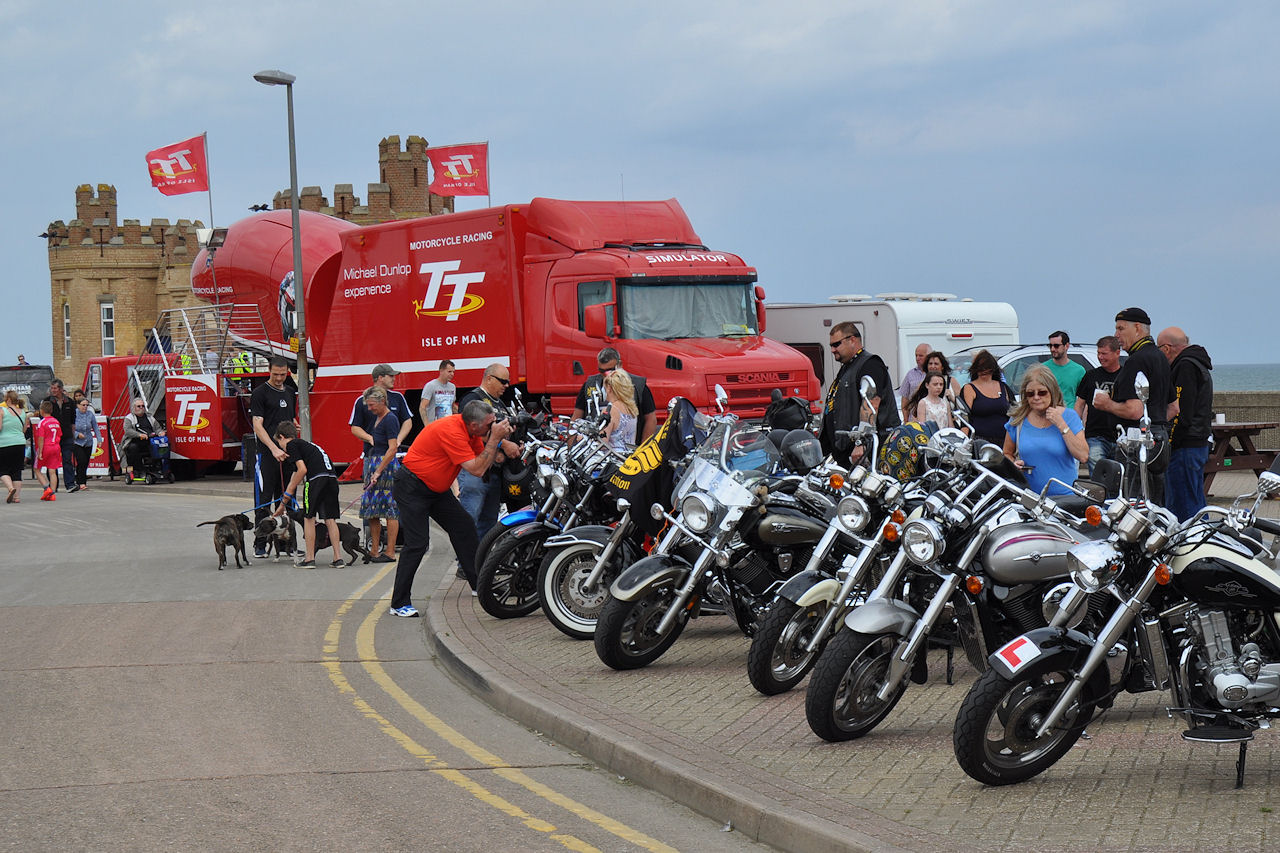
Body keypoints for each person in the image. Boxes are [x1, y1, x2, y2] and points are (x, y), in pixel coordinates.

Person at [390, 400, 514, 615]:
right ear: (474, 425)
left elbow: (482, 463)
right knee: (417, 543)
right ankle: (398, 603)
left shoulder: (472, 432)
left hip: (436, 490)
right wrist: (496, 440)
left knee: (464, 527)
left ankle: (479, 585)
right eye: (489, 424)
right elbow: (476, 469)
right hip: (412, 486)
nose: (492, 427)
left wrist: (500, 444)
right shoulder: (451, 431)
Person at [1092, 307, 1172, 504]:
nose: (1116, 335)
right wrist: (1154, 427)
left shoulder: (1136, 361)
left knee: (1132, 505)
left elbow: (1135, 410)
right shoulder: (1160, 357)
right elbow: (1174, 407)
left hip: (1137, 443)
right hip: (1159, 440)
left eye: (1120, 329)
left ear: (1137, 328)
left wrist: (1106, 404)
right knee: (1155, 505)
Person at [820, 322, 900, 468]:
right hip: (844, 451)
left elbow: (871, 403)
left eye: (836, 344)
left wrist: (861, 442)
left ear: (852, 340)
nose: (832, 350)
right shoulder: (848, 367)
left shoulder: (870, 364)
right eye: (831, 345)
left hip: (865, 452)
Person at [457, 364, 523, 540]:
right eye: (503, 381)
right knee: (470, 519)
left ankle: (483, 562)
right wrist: (504, 445)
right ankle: (464, 564)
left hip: (493, 471)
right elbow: (475, 431)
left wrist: (515, 443)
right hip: (475, 470)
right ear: (489, 378)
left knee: (488, 523)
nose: (506, 385)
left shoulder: (498, 403)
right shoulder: (473, 400)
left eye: (508, 382)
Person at [1003, 366, 1088, 496]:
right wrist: (1014, 464)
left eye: (1042, 392)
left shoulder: (1069, 417)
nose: (1036, 397)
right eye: (1030, 393)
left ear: (1052, 391)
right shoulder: (1019, 419)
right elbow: (1007, 453)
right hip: (1029, 498)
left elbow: (1083, 455)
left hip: (1064, 498)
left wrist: (1060, 424)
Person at [271, 422, 345, 568]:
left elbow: (302, 470)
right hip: (331, 479)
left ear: (282, 437)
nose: (282, 448)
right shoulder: (309, 445)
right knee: (330, 519)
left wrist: (286, 495)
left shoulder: (292, 445)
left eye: (279, 443)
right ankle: (338, 558)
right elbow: (300, 469)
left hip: (316, 480)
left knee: (308, 517)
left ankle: (309, 558)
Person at [1159, 326, 1213, 521]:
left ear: (1167, 348)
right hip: (1197, 443)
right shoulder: (1198, 364)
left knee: (1183, 507)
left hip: (1185, 447)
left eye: (1159, 349)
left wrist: (1169, 442)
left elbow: (1181, 412)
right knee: (1195, 502)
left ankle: (1189, 546)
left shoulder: (1185, 367)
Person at [250, 356, 298, 557]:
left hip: (287, 453)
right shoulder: (260, 393)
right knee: (264, 499)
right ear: (269, 371)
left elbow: (288, 417)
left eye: (283, 374)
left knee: (288, 497)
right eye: (275, 374)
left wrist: (294, 425)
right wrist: (273, 448)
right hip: (268, 453)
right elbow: (257, 424)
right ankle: (260, 543)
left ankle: (287, 543)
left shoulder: (289, 392)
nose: (279, 378)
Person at [572, 347, 657, 443]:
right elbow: (576, 418)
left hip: (614, 451)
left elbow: (651, 420)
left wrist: (643, 449)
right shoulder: (590, 384)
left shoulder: (638, 386)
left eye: (609, 370)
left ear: (619, 365)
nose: (606, 375)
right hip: (613, 451)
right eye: (601, 371)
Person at [359, 386, 401, 563]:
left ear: (382, 401)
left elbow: (393, 448)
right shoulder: (378, 418)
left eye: (371, 405)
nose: (369, 409)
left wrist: (378, 470)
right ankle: (374, 550)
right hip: (376, 463)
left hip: (386, 466)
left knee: (390, 510)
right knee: (372, 510)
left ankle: (390, 551)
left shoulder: (390, 419)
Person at [1073, 336, 1123, 478]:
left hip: (1120, 436)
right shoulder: (1091, 375)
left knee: (1119, 478)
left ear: (1117, 353)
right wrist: (1076, 429)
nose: (1100, 357)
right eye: (1098, 353)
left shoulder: (1125, 376)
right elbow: (1080, 404)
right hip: (1095, 435)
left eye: (1104, 354)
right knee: (1099, 477)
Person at [350, 364, 412, 449]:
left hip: (394, 452)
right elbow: (355, 427)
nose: (394, 379)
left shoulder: (398, 397)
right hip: (371, 452)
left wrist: (398, 440)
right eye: (390, 376)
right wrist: (370, 439)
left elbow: (407, 421)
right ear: (380, 378)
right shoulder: (362, 400)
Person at [960, 349, 1013, 446]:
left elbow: (1015, 414)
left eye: (986, 368)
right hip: (979, 441)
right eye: (980, 368)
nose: (983, 371)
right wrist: (963, 443)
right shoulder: (969, 388)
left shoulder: (1004, 387)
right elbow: (964, 419)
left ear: (993, 369)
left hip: (1004, 440)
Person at [42, 379, 76, 493]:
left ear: (61, 389)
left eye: (55, 388)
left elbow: (73, 421)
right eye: (52, 388)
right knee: (52, 463)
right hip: (52, 437)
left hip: (66, 436)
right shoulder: (47, 401)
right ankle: (53, 486)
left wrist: (73, 435)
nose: (53, 390)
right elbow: (44, 419)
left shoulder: (70, 402)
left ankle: (70, 484)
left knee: (67, 460)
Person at [122, 397, 165, 483]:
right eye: (139, 406)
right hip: (134, 441)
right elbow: (128, 431)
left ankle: (158, 468)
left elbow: (157, 428)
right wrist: (139, 435)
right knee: (133, 448)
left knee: (160, 446)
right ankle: (138, 470)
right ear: (134, 408)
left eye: (143, 406)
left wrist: (160, 432)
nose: (141, 408)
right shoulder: (129, 418)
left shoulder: (149, 417)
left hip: (149, 441)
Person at [0, 389, 28, 503]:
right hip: (20, 443)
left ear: (9, 399)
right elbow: (24, 430)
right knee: (17, 470)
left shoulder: (2, 411)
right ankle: (17, 497)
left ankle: (11, 488)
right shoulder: (22, 412)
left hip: (5, 443)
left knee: (2, 469)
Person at [603, 368, 640, 453]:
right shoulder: (631, 409)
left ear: (609, 388)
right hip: (629, 458)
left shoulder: (610, 410)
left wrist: (581, 438)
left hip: (613, 460)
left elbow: (602, 443)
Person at [1045, 331, 1086, 403]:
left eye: (1056, 346)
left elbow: (1085, 398)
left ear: (1066, 346)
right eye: (1050, 346)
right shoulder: (1043, 369)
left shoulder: (1079, 371)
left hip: (1070, 412)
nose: (1052, 349)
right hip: (1049, 412)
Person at [33, 400, 63, 500]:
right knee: (52, 471)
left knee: (37, 469)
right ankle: (53, 494)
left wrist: (40, 451)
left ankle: (47, 487)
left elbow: (41, 438)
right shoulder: (56, 421)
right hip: (56, 446)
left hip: (46, 447)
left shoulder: (42, 423)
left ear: (41, 411)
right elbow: (59, 435)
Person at [899, 343, 931, 422]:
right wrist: (906, 421)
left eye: (921, 356)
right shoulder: (910, 374)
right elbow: (904, 402)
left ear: (929, 356)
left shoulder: (935, 374)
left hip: (931, 419)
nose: (917, 358)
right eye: (916, 355)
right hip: (914, 420)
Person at [70, 397, 97, 491]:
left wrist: (99, 439)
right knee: (81, 460)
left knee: (85, 462)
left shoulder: (90, 414)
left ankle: (80, 480)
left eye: (87, 405)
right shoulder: (74, 414)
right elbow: (70, 428)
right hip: (77, 442)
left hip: (88, 441)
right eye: (83, 405)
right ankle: (81, 482)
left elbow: (95, 426)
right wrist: (77, 434)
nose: (85, 407)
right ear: (78, 405)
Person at [419, 359, 458, 424]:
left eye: (453, 372)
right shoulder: (431, 385)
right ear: (441, 371)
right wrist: (427, 425)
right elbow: (422, 407)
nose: (452, 374)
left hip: (448, 425)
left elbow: (453, 406)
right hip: (435, 425)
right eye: (449, 371)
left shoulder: (452, 387)